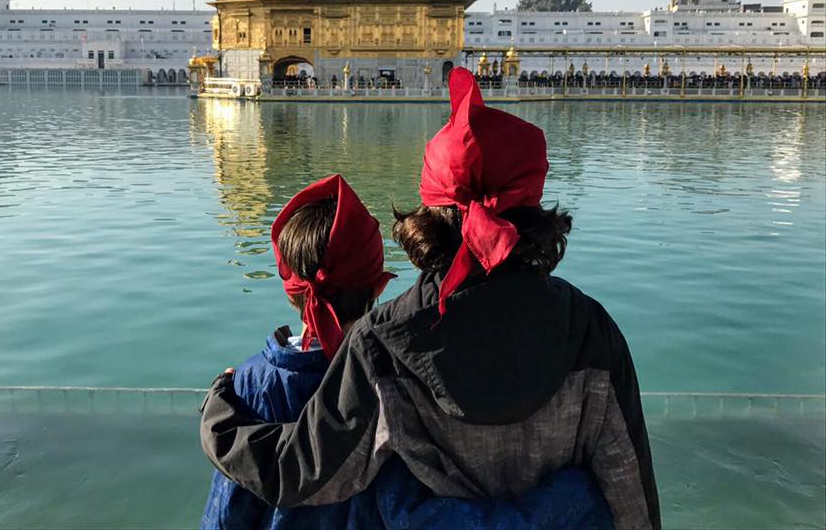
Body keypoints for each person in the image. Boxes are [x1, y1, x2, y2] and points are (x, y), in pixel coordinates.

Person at [202, 68, 659, 529]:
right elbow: (628, 485)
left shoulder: (384, 341)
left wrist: (219, 419)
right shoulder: (589, 329)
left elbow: (305, 474)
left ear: (429, 209)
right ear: (533, 206)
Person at [201, 173, 613, 530]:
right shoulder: (401, 370)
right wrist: (575, 497)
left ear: (290, 288)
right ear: (379, 285)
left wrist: (220, 408)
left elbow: (226, 514)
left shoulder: (251, 385)